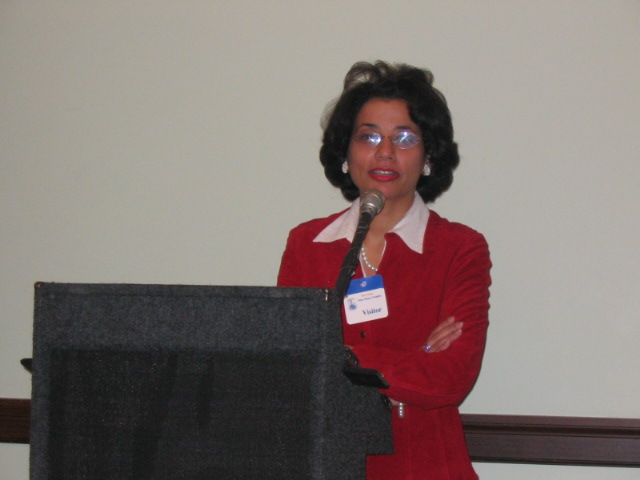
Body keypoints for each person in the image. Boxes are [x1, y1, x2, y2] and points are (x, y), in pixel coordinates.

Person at [277, 61, 491, 480]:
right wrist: (414, 357)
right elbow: (291, 372)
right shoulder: (307, 244)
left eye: (405, 137)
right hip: (325, 464)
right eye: (369, 136)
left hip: (425, 466)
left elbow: (450, 377)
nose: (385, 152)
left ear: (429, 155)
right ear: (345, 152)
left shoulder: (459, 248)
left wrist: (339, 357)